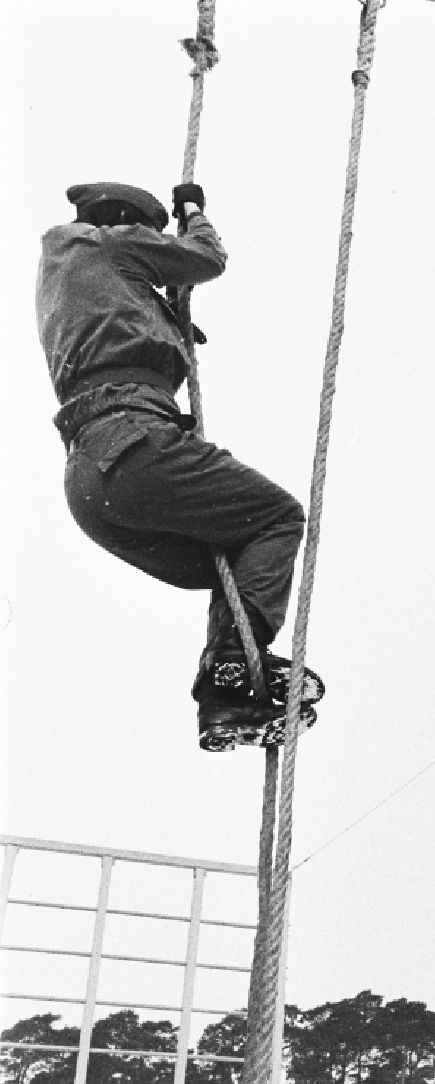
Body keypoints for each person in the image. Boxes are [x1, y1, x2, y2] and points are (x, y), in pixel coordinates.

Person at [36, 180, 323, 752]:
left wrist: (165, 324)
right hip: (134, 445)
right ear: (125, 220)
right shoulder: (107, 243)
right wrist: (193, 213)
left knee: (237, 562)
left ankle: (227, 697)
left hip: (91, 480)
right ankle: (234, 663)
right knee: (277, 518)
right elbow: (206, 260)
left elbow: (116, 322)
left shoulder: (65, 272)